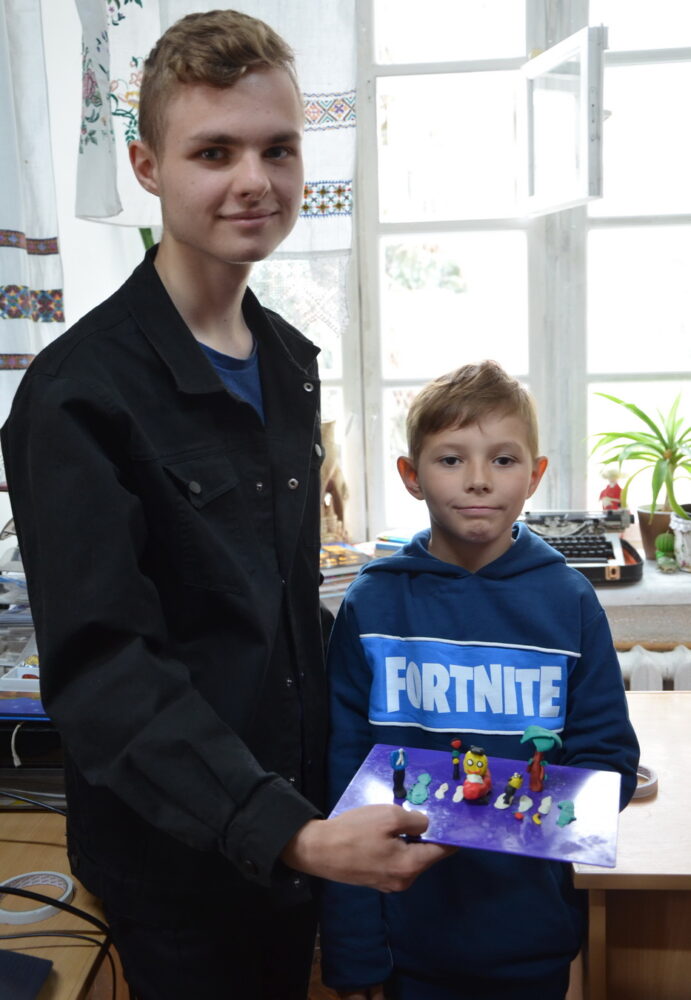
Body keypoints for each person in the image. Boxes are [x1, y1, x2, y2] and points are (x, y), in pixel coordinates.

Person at [0, 11, 451, 999]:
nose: (255, 179)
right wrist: (291, 832)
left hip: (293, 826)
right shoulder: (78, 395)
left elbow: (276, 613)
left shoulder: (286, 362)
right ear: (146, 166)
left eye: (277, 148)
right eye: (214, 152)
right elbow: (106, 674)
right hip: (180, 859)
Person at [320, 360, 640, 1000]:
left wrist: (478, 808)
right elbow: (341, 786)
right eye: (450, 459)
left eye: (503, 459)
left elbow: (609, 766)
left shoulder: (569, 601)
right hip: (405, 937)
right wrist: (355, 955)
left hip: (530, 933)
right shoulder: (371, 602)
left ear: (535, 475)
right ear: (411, 475)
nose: (478, 480)